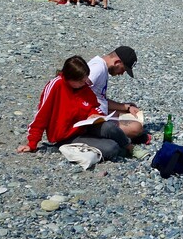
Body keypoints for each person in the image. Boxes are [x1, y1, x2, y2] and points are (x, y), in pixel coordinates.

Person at [16, 55, 147, 160]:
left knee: (109, 126)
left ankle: (130, 147)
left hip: (85, 126)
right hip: (67, 135)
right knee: (111, 149)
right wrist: (32, 143)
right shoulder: (56, 86)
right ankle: (61, 147)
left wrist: (95, 114)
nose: (85, 83)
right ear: (69, 78)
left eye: (85, 80)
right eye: (81, 81)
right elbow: (41, 116)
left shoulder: (83, 87)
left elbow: (93, 106)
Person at [87, 46, 148, 143]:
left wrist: (127, 107)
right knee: (137, 128)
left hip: (99, 110)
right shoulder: (97, 68)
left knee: (134, 115)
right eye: (123, 69)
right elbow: (76, 91)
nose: (122, 73)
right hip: (91, 117)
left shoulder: (102, 67)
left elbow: (100, 99)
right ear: (117, 62)